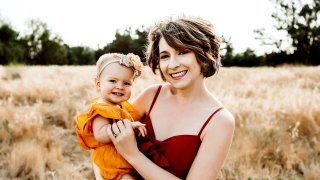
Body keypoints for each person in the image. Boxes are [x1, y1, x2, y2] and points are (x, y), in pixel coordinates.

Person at [103, 16, 236, 179]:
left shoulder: (220, 121)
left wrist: (133, 155)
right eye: (165, 56)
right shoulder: (151, 96)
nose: (172, 65)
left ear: (205, 53)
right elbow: (102, 142)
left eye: (183, 52)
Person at [76, 53, 147, 180]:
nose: (119, 86)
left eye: (126, 83)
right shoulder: (102, 109)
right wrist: (129, 126)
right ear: (98, 84)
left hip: (123, 159)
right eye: (113, 81)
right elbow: (100, 134)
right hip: (112, 163)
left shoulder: (119, 106)